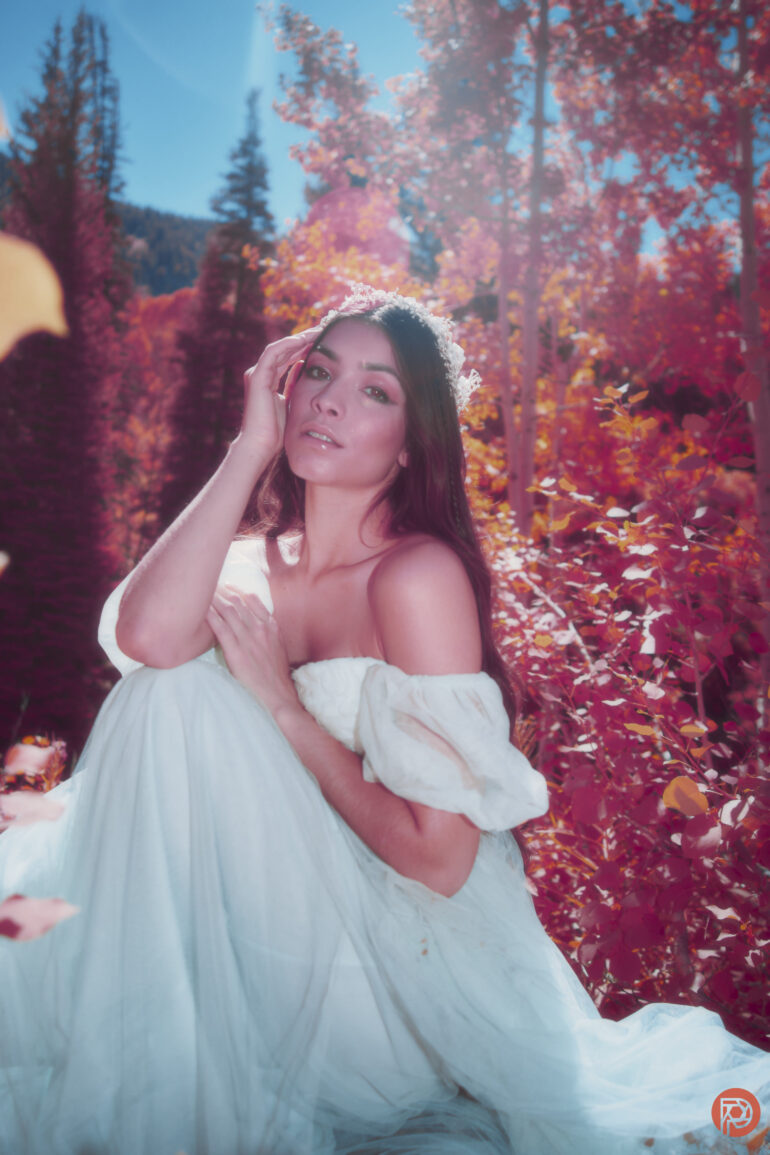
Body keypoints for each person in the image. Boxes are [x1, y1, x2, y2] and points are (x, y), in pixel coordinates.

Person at [0, 284, 767, 1155]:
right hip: (248, 928)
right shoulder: (249, 562)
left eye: (376, 390)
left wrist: (285, 710)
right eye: (318, 372)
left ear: (411, 445)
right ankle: (151, 1047)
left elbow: (439, 861)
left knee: (180, 692)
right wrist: (251, 444)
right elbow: (142, 638)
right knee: (164, 685)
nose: (329, 398)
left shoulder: (413, 577)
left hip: (390, 964)